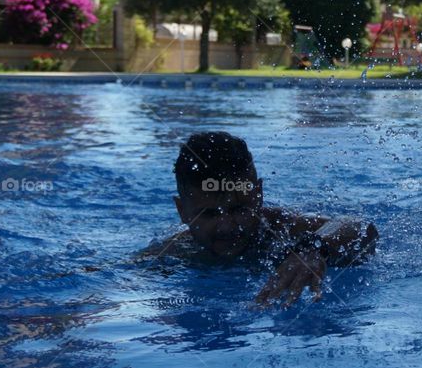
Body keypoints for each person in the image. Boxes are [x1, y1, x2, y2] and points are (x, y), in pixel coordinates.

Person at [150, 132, 377, 308]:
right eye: (209, 214)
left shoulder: (285, 229)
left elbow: (360, 226)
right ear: (182, 211)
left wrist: (314, 249)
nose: (227, 226)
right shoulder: (173, 253)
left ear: (258, 196)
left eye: (239, 209)